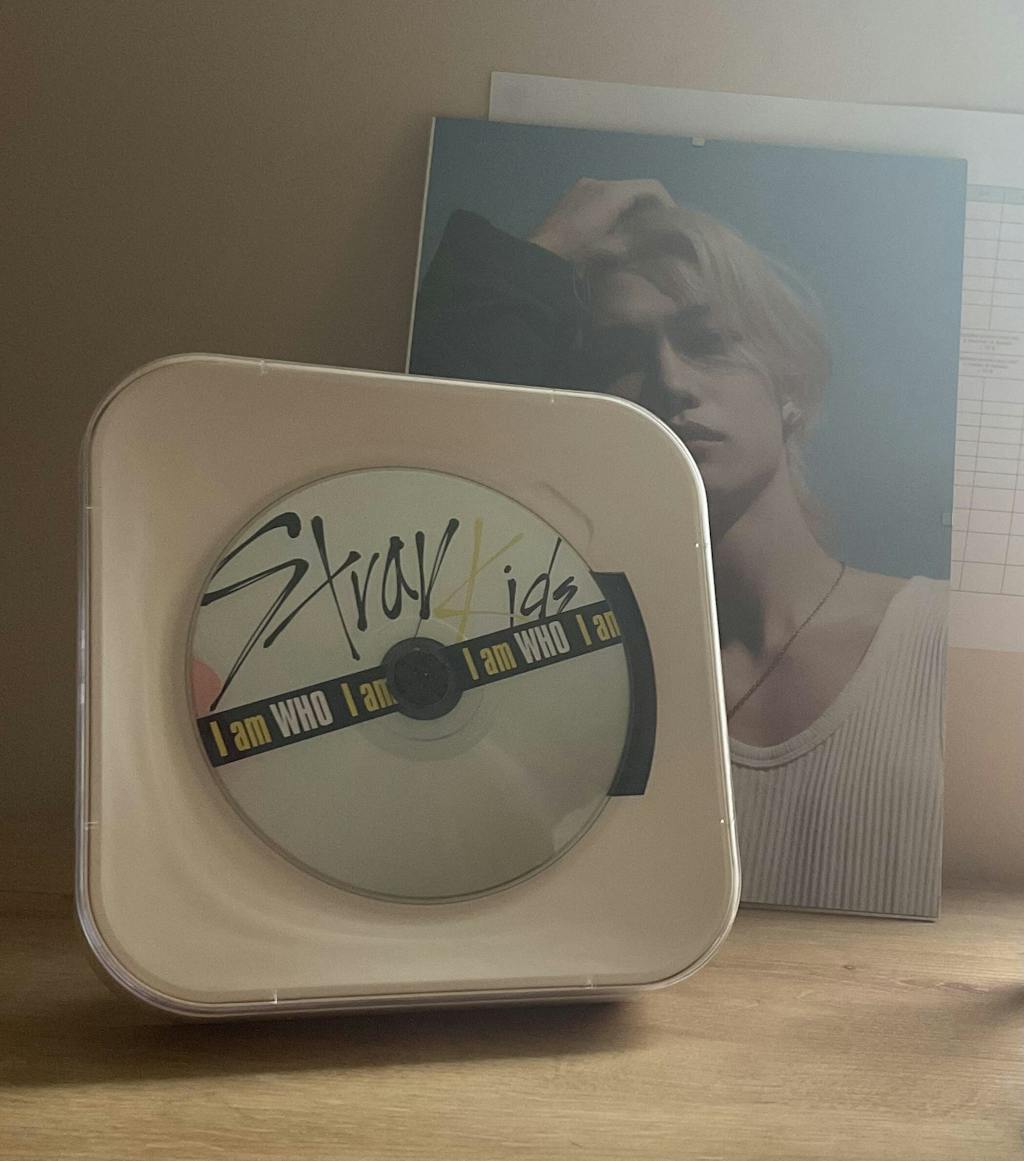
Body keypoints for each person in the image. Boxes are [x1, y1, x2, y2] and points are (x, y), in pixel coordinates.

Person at [410, 179, 946, 917]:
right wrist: (544, 251)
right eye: (624, 353)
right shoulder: (584, 678)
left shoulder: (940, 635)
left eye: (709, 342)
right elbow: (432, 490)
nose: (670, 380)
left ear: (790, 382)